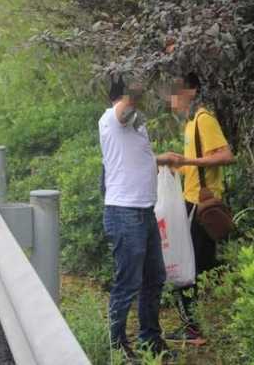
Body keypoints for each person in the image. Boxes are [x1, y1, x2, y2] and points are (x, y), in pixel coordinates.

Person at [100, 79, 178, 360]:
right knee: (128, 281)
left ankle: (150, 340)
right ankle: (116, 345)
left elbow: (131, 158)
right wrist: (145, 74)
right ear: (122, 98)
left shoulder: (134, 124)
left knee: (154, 277)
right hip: (125, 213)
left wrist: (159, 158)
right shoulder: (112, 118)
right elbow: (123, 109)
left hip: (144, 211)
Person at [166, 72, 234, 344]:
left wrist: (188, 163)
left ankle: (193, 330)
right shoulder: (190, 123)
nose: (172, 99)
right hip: (191, 200)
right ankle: (204, 322)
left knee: (185, 267)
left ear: (191, 92)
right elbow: (197, 161)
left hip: (200, 204)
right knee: (202, 266)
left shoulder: (203, 119)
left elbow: (225, 156)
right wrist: (177, 166)